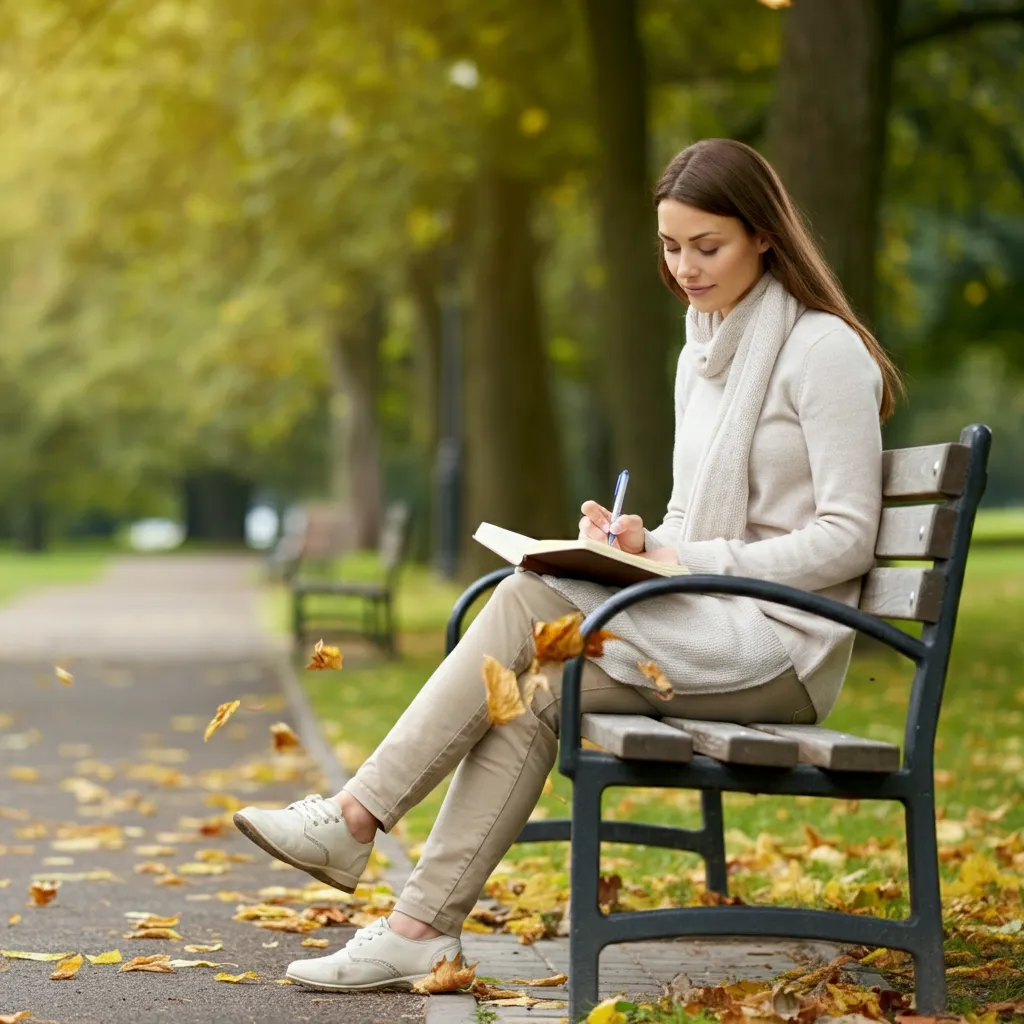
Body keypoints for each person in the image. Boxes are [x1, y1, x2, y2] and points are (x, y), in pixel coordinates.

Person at [233, 137, 903, 992]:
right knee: (534, 684)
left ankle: (359, 824)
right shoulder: (701, 353)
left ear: (764, 235)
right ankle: (411, 922)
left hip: (784, 650)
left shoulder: (824, 351)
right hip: (711, 614)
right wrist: (631, 540)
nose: (686, 268)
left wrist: (683, 554)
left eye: (708, 246)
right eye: (670, 246)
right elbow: (686, 521)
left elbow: (847, 536)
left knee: (528, 611)